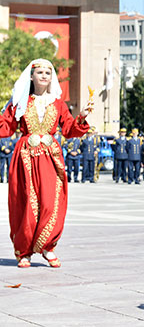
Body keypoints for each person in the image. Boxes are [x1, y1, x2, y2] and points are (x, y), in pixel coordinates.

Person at [0, 59, 91, 267]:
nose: (43, 76)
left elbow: (68, 129)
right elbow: (6, 126)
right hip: (25, 159)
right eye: (39, 72)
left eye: (47, 73)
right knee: (26, 204)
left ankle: (48, 247)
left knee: (51, 202)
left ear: (52, 78)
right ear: (31, 76)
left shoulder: (58, 103)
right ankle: (24, 252)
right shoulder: (20, 102)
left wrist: (82, 117)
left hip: (51, 159)